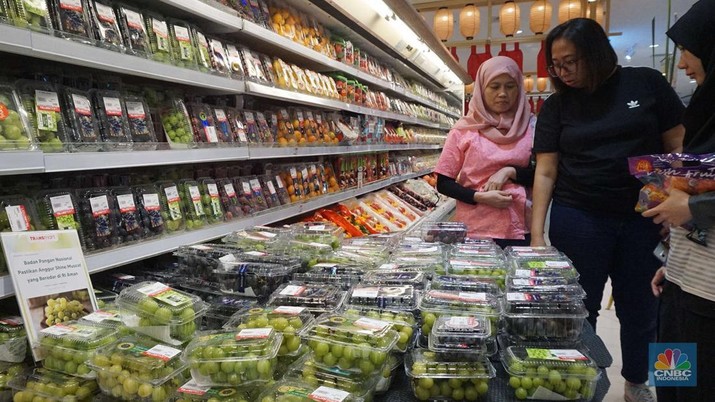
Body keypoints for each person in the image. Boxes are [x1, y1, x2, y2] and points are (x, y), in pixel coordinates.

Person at [530, 18, 685, 402]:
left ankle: (637, 381)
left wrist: (676, 204)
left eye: (571, 62)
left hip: (643, 220)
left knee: (642, 308)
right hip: (578, 217)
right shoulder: (557, 106)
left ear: (597, 53)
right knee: (578, 310)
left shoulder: (647, 84)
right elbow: (546, 171)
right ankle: (579, 385)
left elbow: (677, 150)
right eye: (556, 65)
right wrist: (536, 235)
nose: (563, 72)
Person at [644, 1, 715, 401]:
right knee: (671, 383)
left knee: (698, 391)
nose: (683, 64)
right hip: (681, 282)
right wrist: (672, 260)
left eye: (688, 50)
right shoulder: (705, 115)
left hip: (709, 298)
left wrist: (690, 208)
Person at [435, 56, 535, 248]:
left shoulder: (531, 127)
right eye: (494, 86)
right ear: (482, 89)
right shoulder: (464, 130)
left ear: (519, 89)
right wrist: (480, 197)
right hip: (474, 229)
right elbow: (444, 183)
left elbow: (542, 175)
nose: (503, 93)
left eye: (510, 86)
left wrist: (509, 171)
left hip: (519, 229)